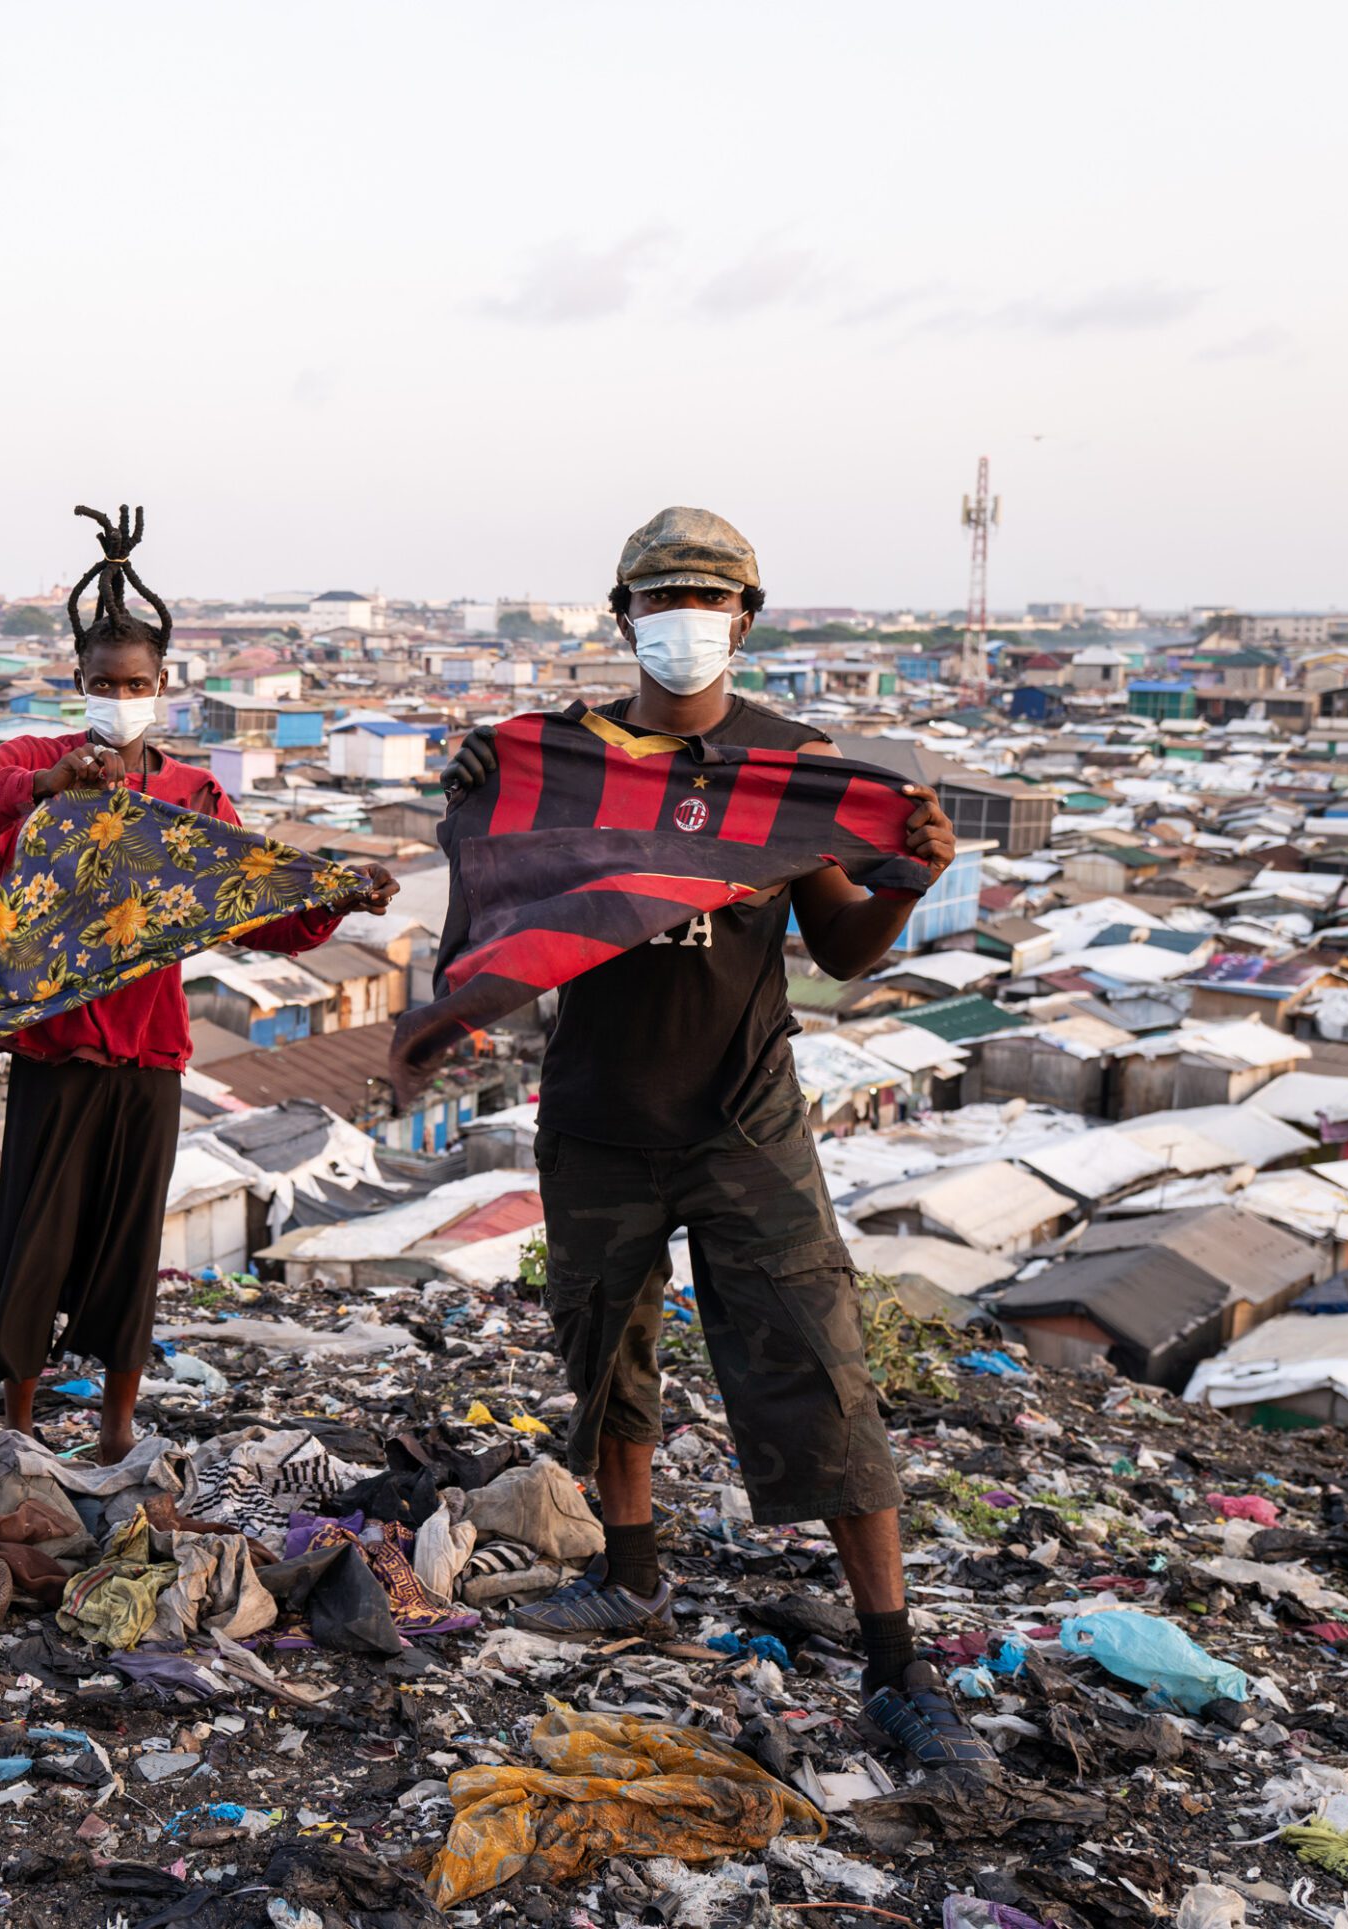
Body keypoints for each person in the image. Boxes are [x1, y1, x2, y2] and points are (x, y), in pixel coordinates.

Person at [442, 506, 994, 1780]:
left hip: (743, 1117)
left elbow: (841, 949)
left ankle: (896, 1665)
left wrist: (909, 878)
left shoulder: (790, 768)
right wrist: (478, 785)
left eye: (708, 599)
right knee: (608, 1351)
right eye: (661, 599)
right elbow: (491, 885)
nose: (684, 622)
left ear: (746, 619)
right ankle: (633, 1579)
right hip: (596, 1111)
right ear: (623, 615)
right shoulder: (559, 763)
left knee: (817, 1365)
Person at [0, 506, 397, 1464]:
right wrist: (48, 784)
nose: (119, 696)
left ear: (162, 689)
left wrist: (339, 896)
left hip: (150, 1053)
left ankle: (114, 1427)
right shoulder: (33, 768)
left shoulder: (190, 798)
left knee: (128, 1247)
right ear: (79, 686)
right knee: (35, 1240)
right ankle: (18, 1427)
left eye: (135, 683)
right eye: (103, 683)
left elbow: (253, 901)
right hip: (55, 1048)